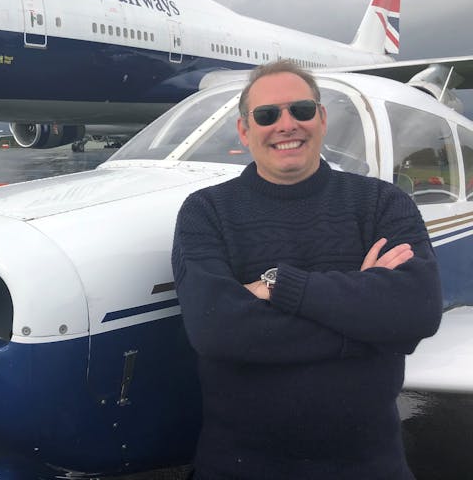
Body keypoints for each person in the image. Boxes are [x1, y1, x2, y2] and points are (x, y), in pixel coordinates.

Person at [171, 60, 442, 479]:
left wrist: (278, 285)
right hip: (240, 466)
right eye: (267, 115)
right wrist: (368, 324)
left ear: (321, 119)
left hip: (369, 466)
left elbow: (417, 311)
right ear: (245, 131)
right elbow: (217, 329)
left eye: (301, 110)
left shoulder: (382, 203)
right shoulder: (205, 212)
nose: (286, 124)